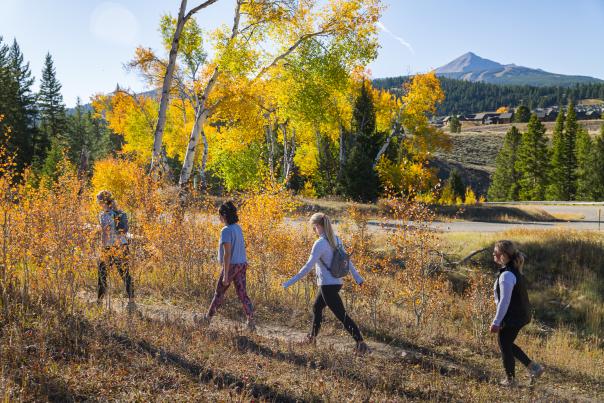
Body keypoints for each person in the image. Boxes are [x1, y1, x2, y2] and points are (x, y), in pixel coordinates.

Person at [282, 212, 369, 354]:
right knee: (317, 308)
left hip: (327, 285)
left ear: (318, 226)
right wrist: (358, 278)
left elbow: (308, 266)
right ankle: (312, 338)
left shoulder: (320, 243)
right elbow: (348, 262)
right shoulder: (336, 239)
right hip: (336, 282)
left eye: (314, 227)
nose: (314, 230)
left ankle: (361, 344)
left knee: (342, 315)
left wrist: (289, 282)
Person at [490, 240, 544, 386]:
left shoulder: (507, 275)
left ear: (504, 255)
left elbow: (504, 302)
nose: (493, 254)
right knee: (506, 344)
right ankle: (534, 367)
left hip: (513, 316)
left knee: (504, 345)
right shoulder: (511, 271)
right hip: (520, 315)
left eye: (496, 252)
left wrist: (496, 322)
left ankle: (511, 380)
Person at [200, 201, 255, 330]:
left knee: (219, 293)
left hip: (231, 266)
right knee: (243, 294)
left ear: (224, 215)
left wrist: (225, 275)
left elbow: (227, 253)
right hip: (242, 264)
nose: (218, 217)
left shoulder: (226, 230)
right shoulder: (238, 228)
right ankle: (251, 322)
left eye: (219, 215)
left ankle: (207, 319)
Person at [96, 190, 135, 311]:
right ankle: (99, 301)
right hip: (107, 248)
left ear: (103, 201)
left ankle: (131, 301)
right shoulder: (101, 215)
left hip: (120, 247)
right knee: (102, 274)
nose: (98, 203)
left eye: (98, 201)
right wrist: (102, 249)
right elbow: (103, 233)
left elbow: (124, 230)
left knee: (124, 273)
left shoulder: (120, 213)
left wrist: (113, 227)